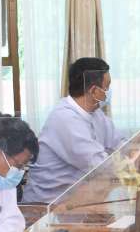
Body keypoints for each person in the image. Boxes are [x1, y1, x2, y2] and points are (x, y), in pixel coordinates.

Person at [23, 57, 126, 204]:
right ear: (94, 91)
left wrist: (136, 149)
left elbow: (120, 143)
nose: (109, 92)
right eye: (107, 87)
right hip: (48, 206)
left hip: (76, 201)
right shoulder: (64, 118)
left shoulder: (95, 113)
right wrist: (130, 164)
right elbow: (99, 165)